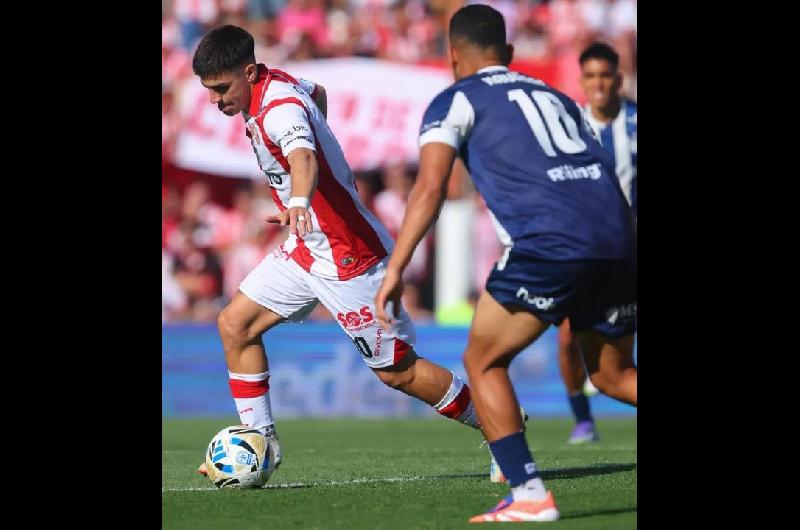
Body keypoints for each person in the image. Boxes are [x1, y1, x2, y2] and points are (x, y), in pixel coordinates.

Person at [190, 24, 491, 481]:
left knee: (399, 372)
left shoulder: (279, 109)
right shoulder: (285, 82)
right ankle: (261, 442)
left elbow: (302, 157)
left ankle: (500, 427)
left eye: (220, 88)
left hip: (350, 256)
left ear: (249, 72)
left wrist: (299, 199)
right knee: (235, 325)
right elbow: (320, 94)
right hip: (307, 246)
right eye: (208, 90)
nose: (215, 100)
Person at [374, 4, 637, 522]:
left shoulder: (453, 101)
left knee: (483, 360)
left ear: (453, 56)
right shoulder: (558, 97)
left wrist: (396, 268)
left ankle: (530, 495)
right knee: (613, 375)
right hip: (619, 238)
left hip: (550, 243)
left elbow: (429, 188)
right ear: (510, 54)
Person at [557, 40, 638, 445]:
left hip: (630, 253)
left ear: (619, 79)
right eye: (591, 76)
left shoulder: (635, 126)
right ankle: (583, 420)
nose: (599, 84)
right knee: (569, 337)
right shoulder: (571, 125)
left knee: (616, 365)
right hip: (586, 252)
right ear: (583, 80)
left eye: (606, 75)